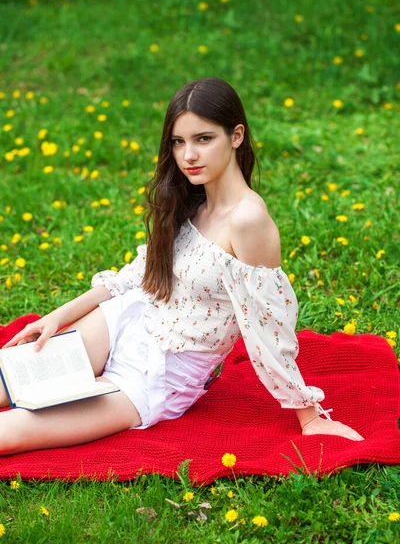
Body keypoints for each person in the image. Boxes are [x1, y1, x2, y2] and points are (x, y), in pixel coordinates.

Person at [0, 77, 364, 455]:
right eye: (179, 142)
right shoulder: (192, 200)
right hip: (127, 321)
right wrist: (58, 316)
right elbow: (139, 274)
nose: (188, 155)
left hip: (158, 376)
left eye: (203, 139)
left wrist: (310, 415)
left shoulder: (248, 220)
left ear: (236, 136)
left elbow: (267, 326)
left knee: (9, 432)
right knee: (9, 376)